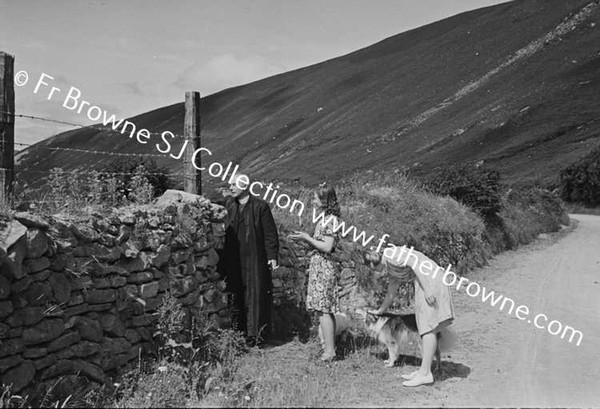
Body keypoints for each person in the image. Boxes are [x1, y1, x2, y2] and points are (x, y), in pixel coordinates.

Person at [364, 244, 455, 387]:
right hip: (424, 282)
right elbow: (391, 292)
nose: (375, 272)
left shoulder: (391, 255)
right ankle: (423, 370)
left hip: (429, 280)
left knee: (427, 327)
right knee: (424, 325)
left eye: (373, 268)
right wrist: (380, 311)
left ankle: (425, 374)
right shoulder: (390, 266)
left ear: (373, 263)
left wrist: (428, 289)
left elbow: (415, 264)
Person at [219, 174, 279, 346]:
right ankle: (238, 332)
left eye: (234, 184)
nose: (230, 187)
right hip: (233, 258)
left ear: (244, 186)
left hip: (255, 258)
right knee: (235, 293)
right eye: (230, 184)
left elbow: (269, 234)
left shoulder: (260, 207)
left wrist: (272, 256)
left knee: (256, 294)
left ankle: (256, 335)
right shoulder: (229, 205)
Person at [288, 185, 341, 362]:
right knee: (324, 309)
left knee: (323, 310)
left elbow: (327, 246)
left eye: (316, 198)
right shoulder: (325, 218)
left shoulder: (330, 220)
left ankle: (329, 351)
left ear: (325, 201)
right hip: (321, 266)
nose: (313, 201)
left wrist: (306, 238)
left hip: (324, 267)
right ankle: (329, 348)